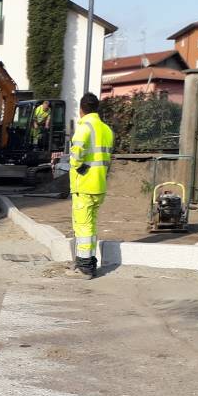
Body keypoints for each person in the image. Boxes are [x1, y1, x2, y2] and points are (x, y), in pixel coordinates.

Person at [65, 93, 113, 280]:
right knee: (91, 226)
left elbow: (76, 155)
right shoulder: (107, 130)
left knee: (83, 226)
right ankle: (89, 261)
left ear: (81, 109)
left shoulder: (84, 127)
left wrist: (78, 167)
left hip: (84, 184)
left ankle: (85, 267)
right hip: (99, 184)